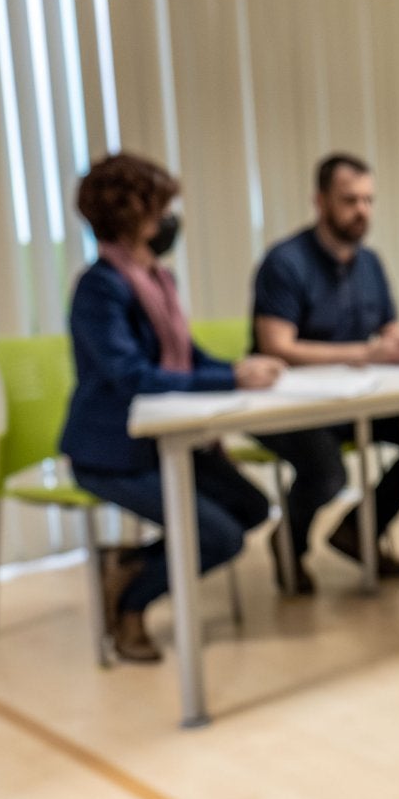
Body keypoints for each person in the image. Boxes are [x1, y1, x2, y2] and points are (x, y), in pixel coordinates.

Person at [62, 152, 283, 663]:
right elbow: (133, 376)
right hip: (114, 454)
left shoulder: (158, 280)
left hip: (165, 440)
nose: (167, 219)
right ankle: (132, 603)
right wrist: (229, 379)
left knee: (251, 508)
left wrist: (239, 369)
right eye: (158, 208)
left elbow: (183, 353)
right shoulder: (100, 287)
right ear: (131, 216)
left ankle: (127, 563)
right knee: (220, 538)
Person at [251, 153, 399, 593]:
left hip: (353, 397)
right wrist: (366, 353)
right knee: (327, 471)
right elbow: (278, 347)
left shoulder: (369, 263)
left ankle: (360, 529)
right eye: (350, 200)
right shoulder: (285, 262)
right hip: (288, 405)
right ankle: (289, 543)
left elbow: (388, 328)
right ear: (321, 202)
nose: (362, 210)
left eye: (368, 200)